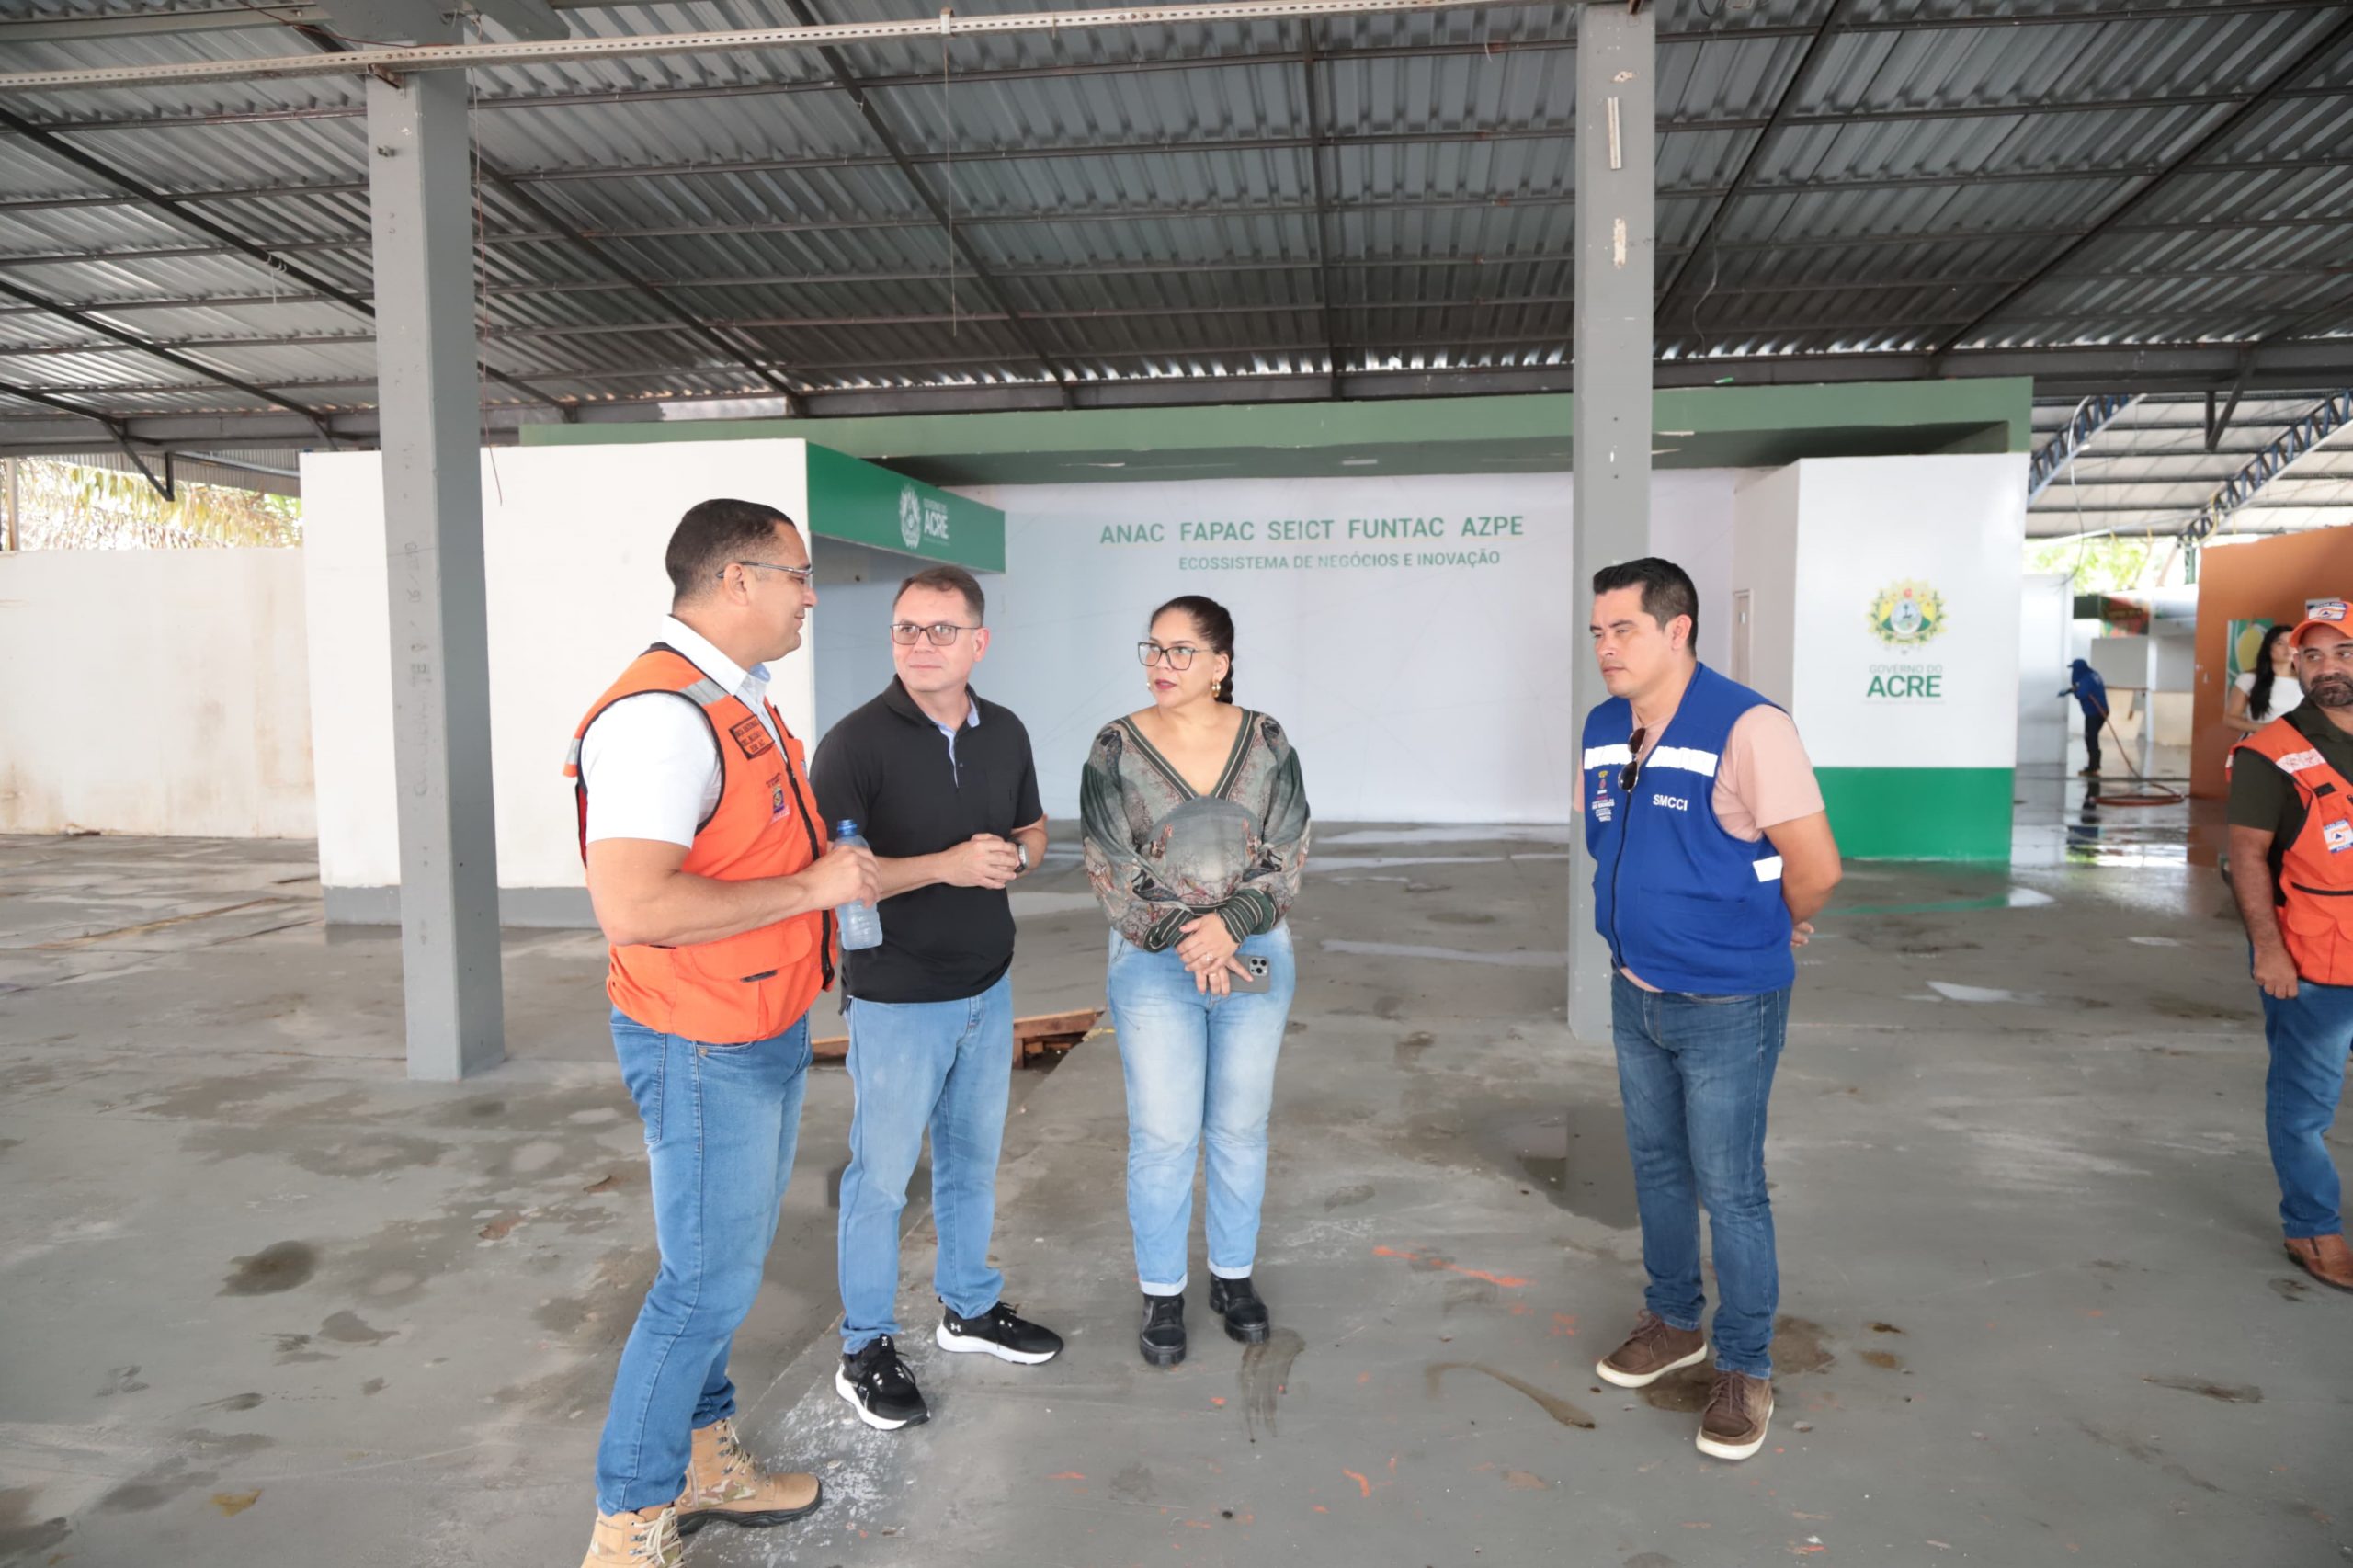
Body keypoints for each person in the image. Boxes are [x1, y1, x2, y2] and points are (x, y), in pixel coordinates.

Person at [564, 498, 880, 1567]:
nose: (810, 595)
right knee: (703, 1282)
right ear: (737, 578)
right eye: (797, 573)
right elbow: (634, 905)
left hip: (758, 1021)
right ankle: (629, 1519)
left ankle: (704, 1459)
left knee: (719, 1269)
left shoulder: (732, 695)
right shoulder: (661, 717)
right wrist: (813, 888)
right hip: (702, 1038)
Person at [1580, 557, 1842, 1463]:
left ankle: (1744, 1364)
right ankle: (1672, 1320)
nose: (1606, 647)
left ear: (1678, 629)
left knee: (1730, 1186)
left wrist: (1771, 923)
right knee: (1656, 1165)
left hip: (1729, 1000)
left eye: (1624, 629)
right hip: (1636, 988)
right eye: (1598, 632)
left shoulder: (1749, 725)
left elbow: (1817, 866)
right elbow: (1612, 845)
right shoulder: (1604, 727)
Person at [809, 564, 1062, 1432]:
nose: (921, 644)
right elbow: (832, 879)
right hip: (897, 998)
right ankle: (864, 1348)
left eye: (941, 630)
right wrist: (948, 866)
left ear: (977, 642)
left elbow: (1034, 828)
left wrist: (1016, 858)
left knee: (970, 1163)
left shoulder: (1006, 731)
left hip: (988, 986)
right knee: (881, 1181)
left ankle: (969, 1308)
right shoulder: (852, 746)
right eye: (906, 629)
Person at [1082, 595, 1310, 1368]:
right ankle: (1162, 1292)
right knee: (1164, 1134)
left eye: (1181, 651)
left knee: (1240, 1126)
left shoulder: (1266, 740)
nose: (1161, 664)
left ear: (1221, 663)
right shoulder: (1115, 747)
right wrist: (1193, 935)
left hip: (1254, 950)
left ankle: (1233, 1278)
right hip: (1155, 963)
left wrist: (1229, 924)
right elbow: (1110, 862)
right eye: (1153, 648)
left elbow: (1288, 845)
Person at [2226, 598, 2353, 1294]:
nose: (2327, 667)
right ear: (2295, 665)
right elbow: (2248, 856)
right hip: (2314, 961)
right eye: (2313, 655)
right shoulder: (2271, 753)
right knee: (2305, 1105)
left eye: (2343, 653)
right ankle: (2312, 1226)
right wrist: (2268, 951)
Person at [2225, 622, 2302, 736]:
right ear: (2268, 647)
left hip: (2293, 743)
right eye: (2280, 643)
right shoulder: (2248, 678)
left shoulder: (2304, 680)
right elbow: (2230, 719)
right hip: (2257, 742)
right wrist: (2261, 728)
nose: (2288, 648)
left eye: (2292, 643)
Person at [2064, 658, 2110, 777]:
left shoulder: (2086, 680)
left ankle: (2093, 768)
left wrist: (2074, 691)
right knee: (2091, 737)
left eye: (2074, 669)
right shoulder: (2092, 674)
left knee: (2091, 738)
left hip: (2095, 713)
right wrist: (2071, 690)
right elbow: (2082, 687)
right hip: (2102, 711)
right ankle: (2094, 766)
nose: (2073, 672)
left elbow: (2081, 694)